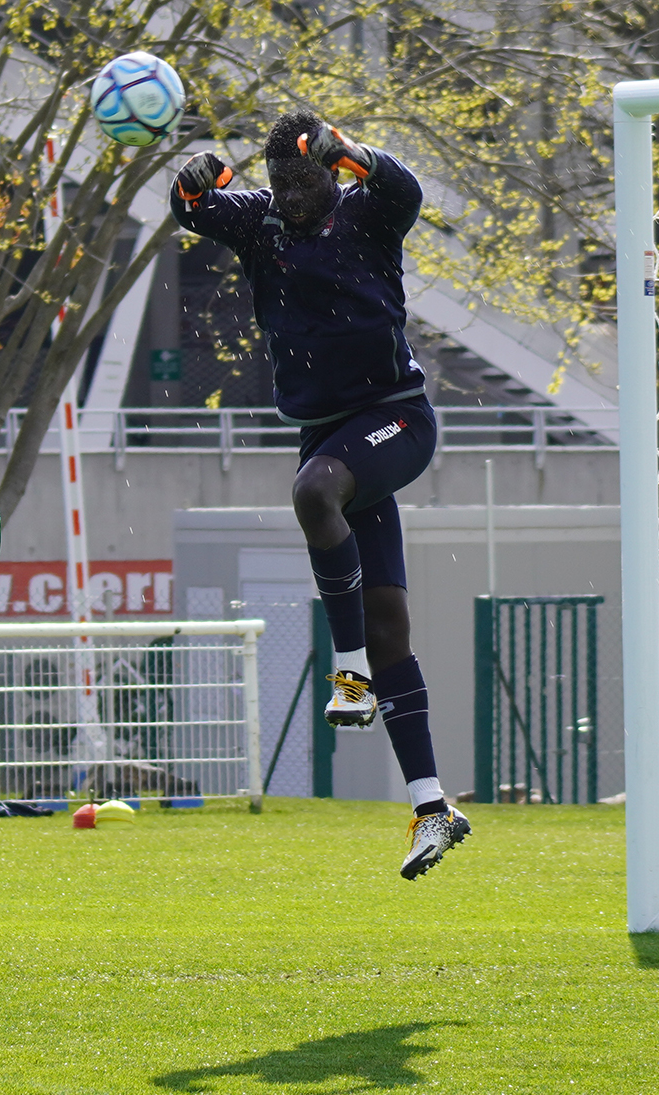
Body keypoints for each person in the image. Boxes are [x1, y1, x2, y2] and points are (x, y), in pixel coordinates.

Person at [171, 111, 471, 879]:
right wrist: (195, 180)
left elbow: (404, 184)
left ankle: (350, 676)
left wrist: (353, 150)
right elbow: (192, 208)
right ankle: (433, 807)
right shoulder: (263, 219)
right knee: (390, 621)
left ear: (331, 174)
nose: (292, 197)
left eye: (306, 181)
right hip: (332, 435)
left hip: (396, 418)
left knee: (312, 494)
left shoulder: (367, 211)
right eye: (281, 183)